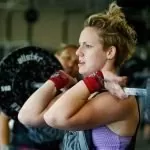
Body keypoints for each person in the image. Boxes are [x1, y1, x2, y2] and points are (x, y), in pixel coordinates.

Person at [18, 2, 140, 150]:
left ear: (110, 52)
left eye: (87, 46)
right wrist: (58, 79)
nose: (78, 52)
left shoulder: (119, 99)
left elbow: (54, 118)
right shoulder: (86, 92)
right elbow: (27, 116)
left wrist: (95, 79)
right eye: (79, 45)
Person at [0, 44, 79, 150]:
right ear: (56, 56)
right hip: (23, 142)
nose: (70, 64)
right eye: (67, 57)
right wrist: (4, 147)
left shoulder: (77, 91)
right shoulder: (28, 79)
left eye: (76, 63)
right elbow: (4, 117)